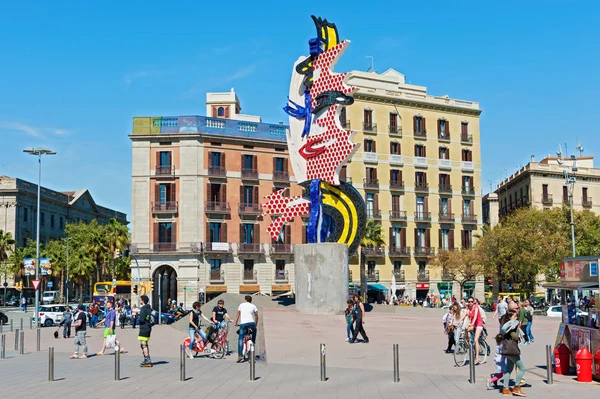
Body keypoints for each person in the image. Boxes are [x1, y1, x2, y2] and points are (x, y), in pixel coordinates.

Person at [500, 309, 527, 396]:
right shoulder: (513, 325)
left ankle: (505, 389)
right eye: (515, 315)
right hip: (512, 350)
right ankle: (516, 387)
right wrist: (518, 330)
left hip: (507, 349)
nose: (517, 316)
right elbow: (515, 336)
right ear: (512, 316)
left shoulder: (506, 325)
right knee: (522, 368)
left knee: (508, 369)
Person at [234, 295, 258, 363]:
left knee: (240, 339)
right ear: (250, 300)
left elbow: (238, 314)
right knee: (254, 334)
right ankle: (253, 343)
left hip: (243, 324)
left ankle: (240, 356)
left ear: (245, 300)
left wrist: (235, 322)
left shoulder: (241, 305)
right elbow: (256, 316)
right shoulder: (253, 306)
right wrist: (255, 325)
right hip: (251, 323)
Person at [466, 297, 484, 364]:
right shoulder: (467, 307)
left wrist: (472, 324)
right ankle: (469, 343)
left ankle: (477, 357)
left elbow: (476, 316)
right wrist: (459, 320)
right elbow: (465, 314)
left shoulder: (476, 307)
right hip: (473, 324)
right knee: (466, 330)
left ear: (473, 302)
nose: (470, 303)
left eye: (471, 301)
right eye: (469, 301)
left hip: (479, 324)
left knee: (476, 340)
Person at [138, 295, 153, 367]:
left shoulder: (143, 309)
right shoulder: (149, 308)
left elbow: (142, 319)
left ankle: (147, 358)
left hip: (144, 328)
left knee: (143, 344)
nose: (140, 301)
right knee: (145, 344)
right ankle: (146, 357)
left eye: (140, 299)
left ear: (143, 300)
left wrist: (139, 315)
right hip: (148, 327)